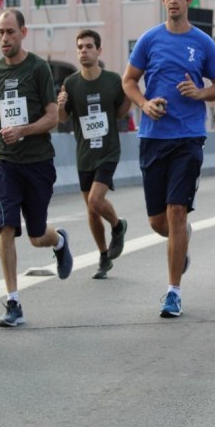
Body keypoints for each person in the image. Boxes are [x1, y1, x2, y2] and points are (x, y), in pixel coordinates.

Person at [122, 0, 215, 317]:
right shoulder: (149, 40)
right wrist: (144, 104)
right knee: (158, 222)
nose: (173, 0)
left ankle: (172, 292)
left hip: (187, 137)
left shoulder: (202, 42)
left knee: (176, 210)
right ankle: (181, 237)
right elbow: (129, 81)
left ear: (188, 0)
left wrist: (200, 92)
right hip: (153, 137)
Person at [0, 9, 73, 328]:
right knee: (5, 228)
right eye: (1, 33)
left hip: (38, 162)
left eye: (10, 32)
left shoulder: (38, 68)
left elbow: (53, 117)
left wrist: (23, 130)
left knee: (35, 235)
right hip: (7, 162)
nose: (4, 38)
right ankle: (13, 301)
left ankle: (58, 241)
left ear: (23, 33)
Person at [57, 29, 131, 280]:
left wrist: (130, 95)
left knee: (95, 201)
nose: (84, 51)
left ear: (99, 50)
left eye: (89, 47)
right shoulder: (71, 83)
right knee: (91, 211)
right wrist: (60, 105)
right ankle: (103, 255)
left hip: (108, 151)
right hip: (84, 153)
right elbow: (63, 119)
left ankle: (118, 226)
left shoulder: (112, 80)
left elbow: (121, 113)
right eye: (80, 47)